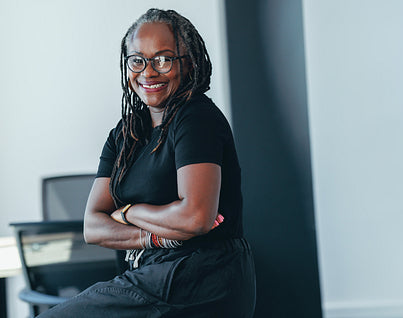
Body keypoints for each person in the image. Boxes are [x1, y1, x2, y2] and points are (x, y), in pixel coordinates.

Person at [38, 8, 256, 318]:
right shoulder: (125, 133)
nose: (148, 72)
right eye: (137, 60)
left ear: (189, 63)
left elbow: (195, 218)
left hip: (198, 279)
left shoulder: (195, 119)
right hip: (151, 274)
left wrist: (128, 213)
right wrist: (152, 237)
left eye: (163, 59)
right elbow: (93, 226)